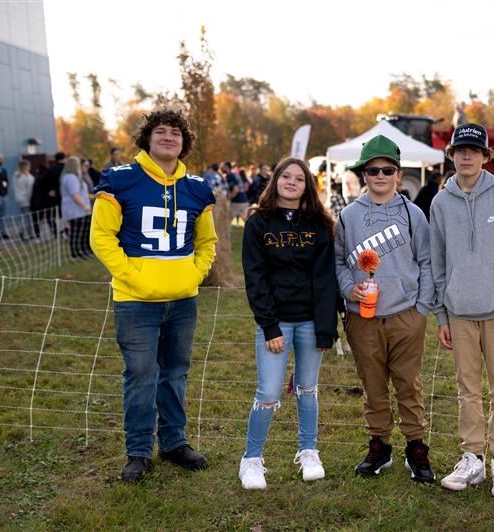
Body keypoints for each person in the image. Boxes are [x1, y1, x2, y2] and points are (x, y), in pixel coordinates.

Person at [90, 107, 217, 483]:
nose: (168, 137)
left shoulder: (197, 188)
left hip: (182, 299)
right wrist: (133, 276)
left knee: (175, 374)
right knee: (141, 375)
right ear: (147, 138)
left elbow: (207, 241)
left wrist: (193, 274)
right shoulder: (120, 180)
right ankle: (139, 451)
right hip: (135, 301)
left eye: (176, 133)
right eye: (160, 131)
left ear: (184, 142)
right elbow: (101, 237)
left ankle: (174, 442)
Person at [429, 123, 494, 498]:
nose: (466, 156)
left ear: (487, 156)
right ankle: (472, 457)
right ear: (451, 155)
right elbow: (437, 262)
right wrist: (441, 314)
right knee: (467, 387)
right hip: (458, 309)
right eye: (460, 150)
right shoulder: (440, 202)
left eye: (474, 150)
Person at [334, 135, 438, 484]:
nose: (380, 175)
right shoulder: (348, 216)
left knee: (408, 384)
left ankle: (416, 446)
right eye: (372, 169)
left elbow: (426, 261)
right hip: (363, 319)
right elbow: (337, 262)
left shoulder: (413, 214)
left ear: (397, 173)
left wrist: (421, 308)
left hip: (406, 315)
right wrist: (351, 290)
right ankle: (379, 444)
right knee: (373, 385)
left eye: (387, 169)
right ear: (363, 173)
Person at [238, 157, 338, 490]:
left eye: (299, 178)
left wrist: (326, 328)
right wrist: (269, 326)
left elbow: (325, 279)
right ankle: (251, 460)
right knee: (268, 392)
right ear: (276, 180)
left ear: (308, 184)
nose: (292, 182)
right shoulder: (258, 222)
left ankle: (309, 451)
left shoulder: (320, 224)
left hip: (310, 320)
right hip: (277, 321)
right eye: (286, 176)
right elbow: (255, 277)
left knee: (307, 389)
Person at [60, 156, 92, 259]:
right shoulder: (71, 178)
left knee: (82, 232)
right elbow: (75, 194)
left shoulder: (73, 176)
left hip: (80, 210)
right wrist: (84, 205)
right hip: (76, 210)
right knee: (77, 233)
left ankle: (83, 251)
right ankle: (76, 253)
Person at [32, 152, 64, 239]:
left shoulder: (51, 170)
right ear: (64, 158)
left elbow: (44, 182)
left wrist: (50, 191)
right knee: (62, 214)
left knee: (51, 216)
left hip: (52, 197)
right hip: (65, 196)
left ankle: (56, 233)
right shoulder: (67, 169)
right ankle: (63, 231)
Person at [13, 160, 35, 240]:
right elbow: (30, 190)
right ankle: (27, 233)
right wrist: (31, 199)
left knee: (24, 216)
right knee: (27, 217)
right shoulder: (27, 177)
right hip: (26, 199)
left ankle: (24, 231)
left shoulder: (16, 175)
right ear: (26, 166)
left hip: (19, 198)